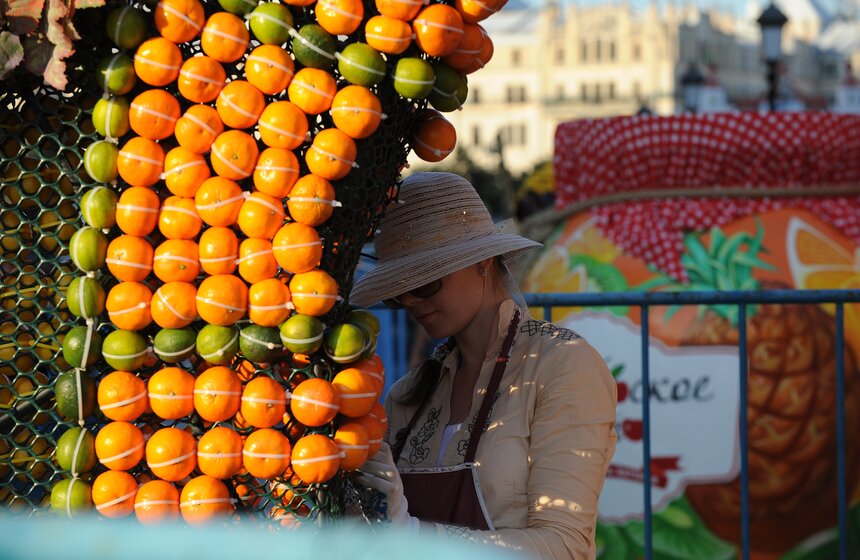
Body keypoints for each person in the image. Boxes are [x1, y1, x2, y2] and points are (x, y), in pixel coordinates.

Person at [349, 172, 618, 559]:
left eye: (425, 282)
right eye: (397, 294)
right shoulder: (408, 395)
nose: (410, 300)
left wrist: (412, 535)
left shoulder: (563, 365)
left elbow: (565, 546)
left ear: (483, 262)